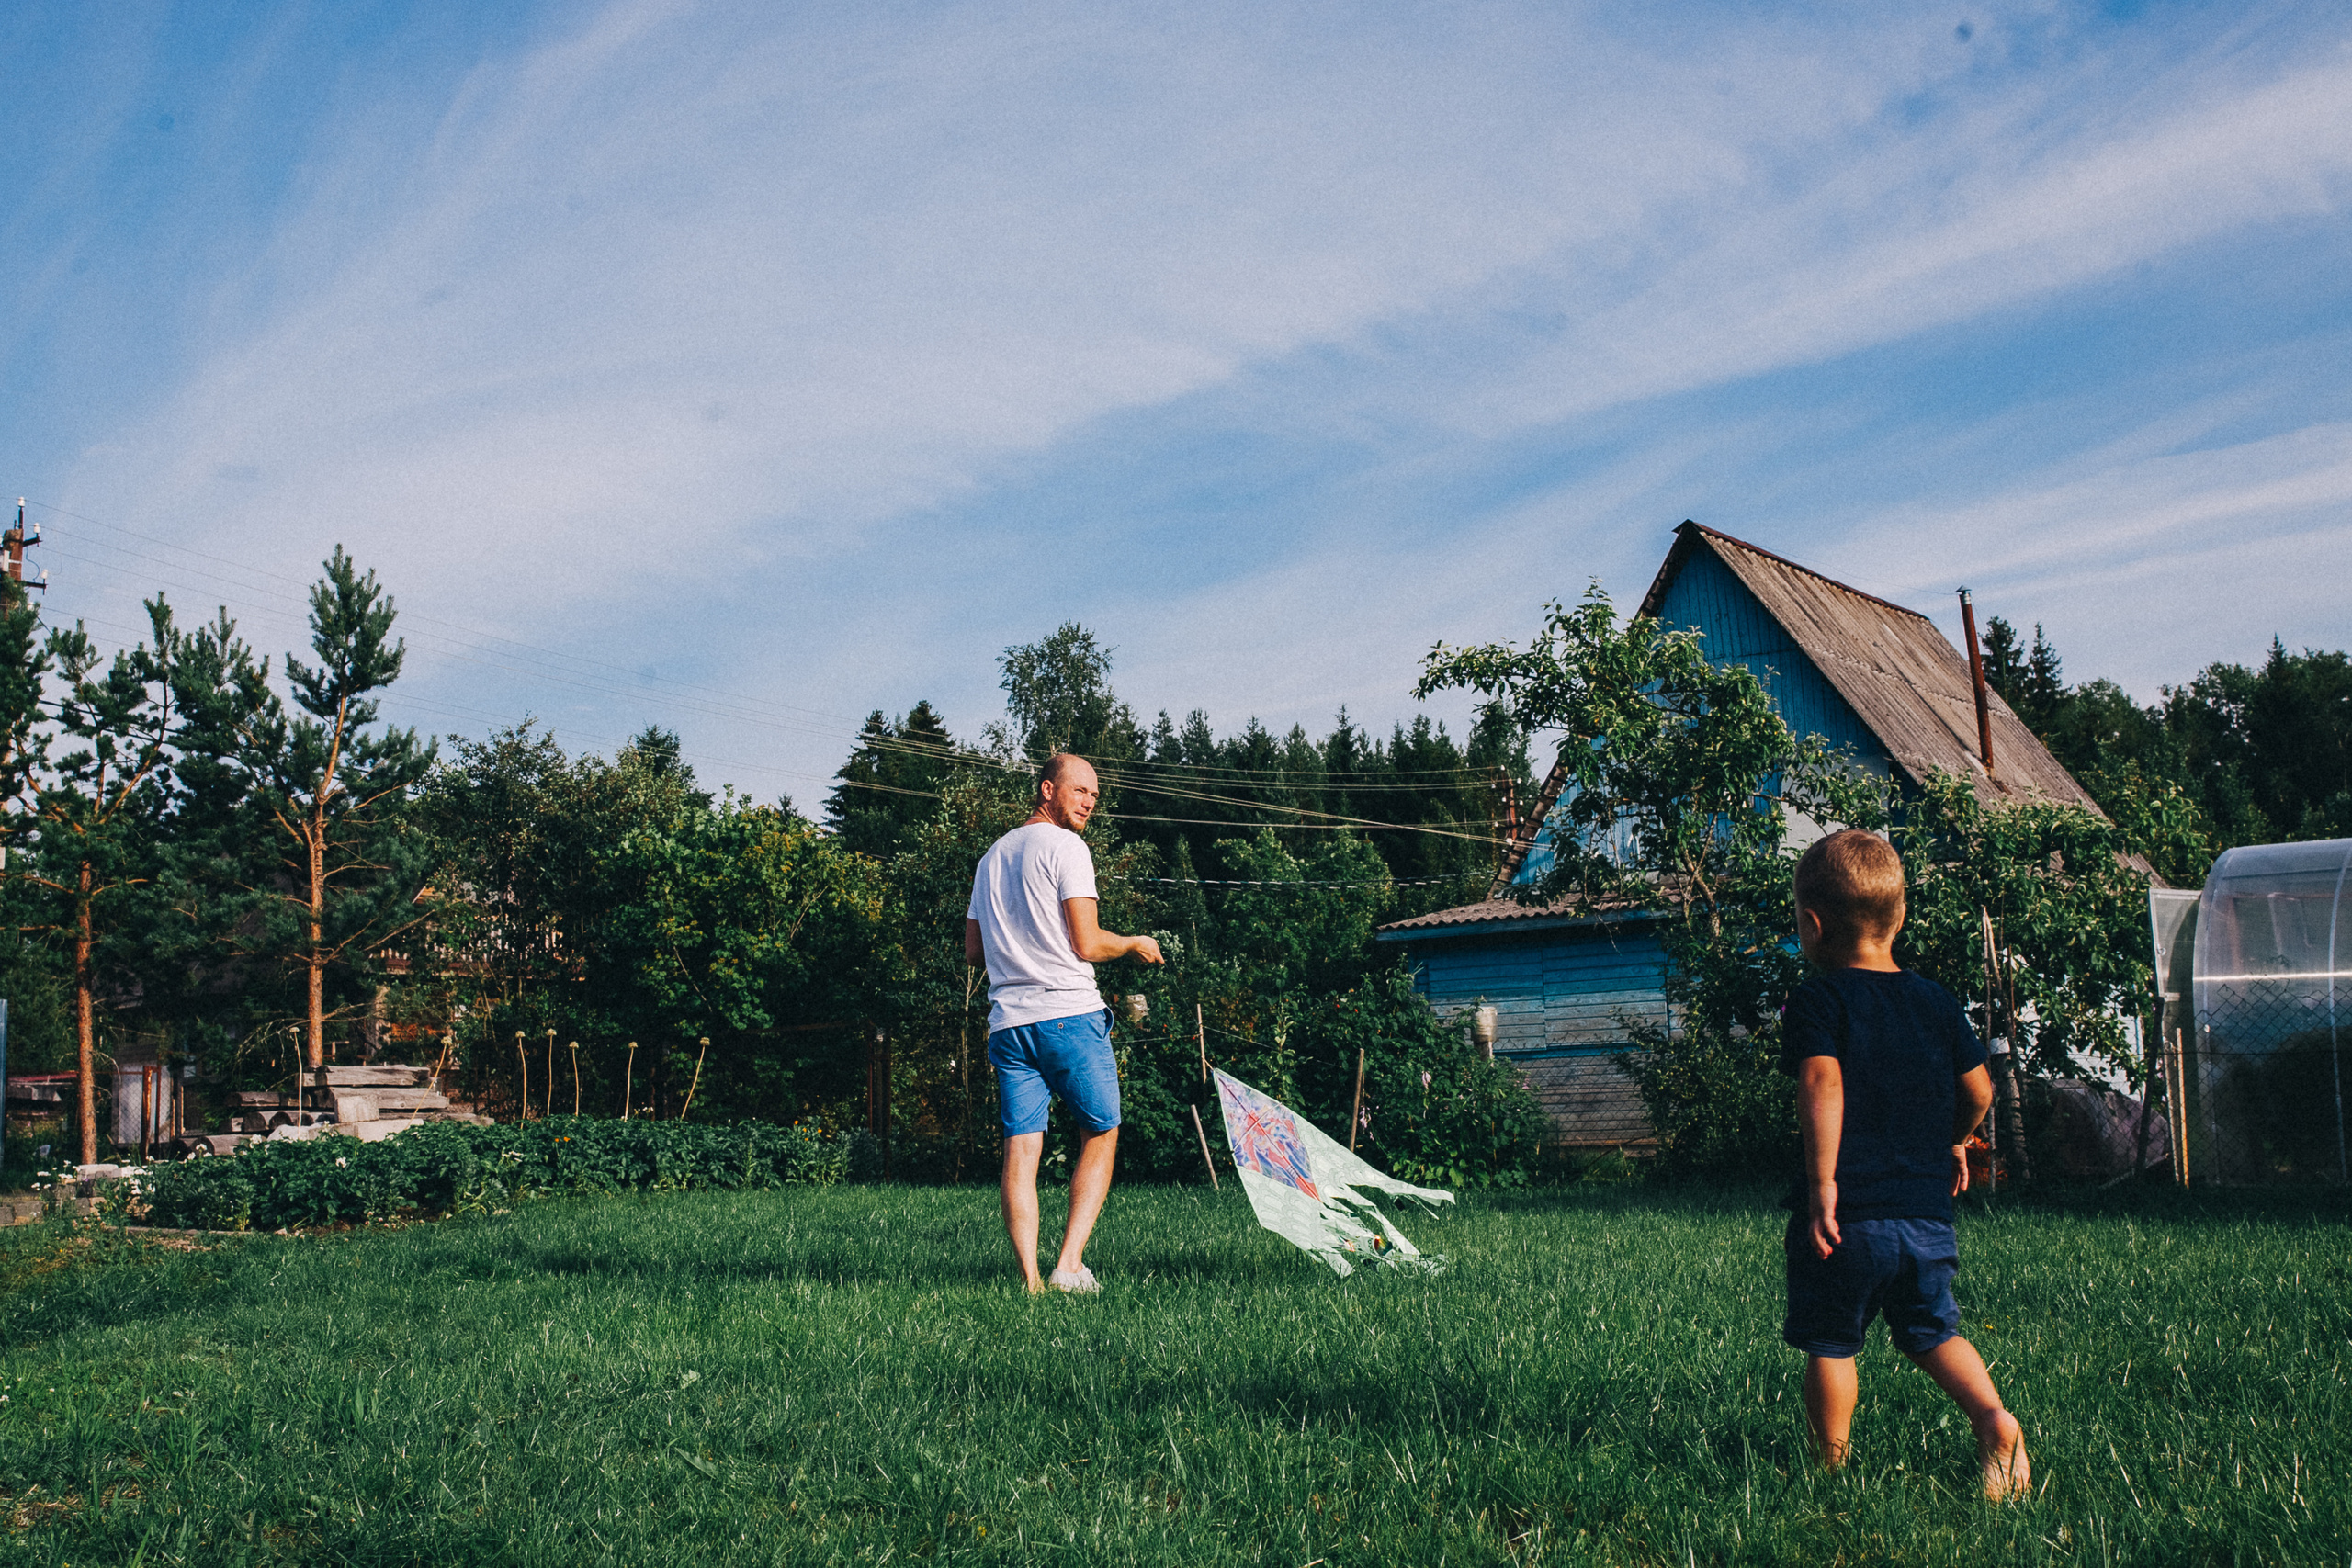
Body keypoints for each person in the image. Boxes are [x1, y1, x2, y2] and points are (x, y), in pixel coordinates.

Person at [1779, 828, 2030, 1500]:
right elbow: (1979, 1089)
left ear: (1812, 923)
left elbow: (1823, 1085)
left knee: (1832, 1341)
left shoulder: (1817, 999)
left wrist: (1822, 1183)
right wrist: (1956, 1139)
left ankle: (1829, 1473)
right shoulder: (1935, 1000)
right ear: (1900, 918)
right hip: (1926, 1213)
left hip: (1851, 1216)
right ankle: (1993, 1418)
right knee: (1931, 1329)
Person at [965, 753, 1162, 1293]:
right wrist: (1135, 943)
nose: (1089, 803)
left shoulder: (990, 857)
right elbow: (1088, 942)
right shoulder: (1067, 847)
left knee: (1021, 1148)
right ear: (1047, 790)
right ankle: (1068, 1265)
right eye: (1080, 792)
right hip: (1068, 1014)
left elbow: (973, 951)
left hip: (1008, 1023)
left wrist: (1021, 948)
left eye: (1095, 796)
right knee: (1101, 1131)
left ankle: (1029, 1281)